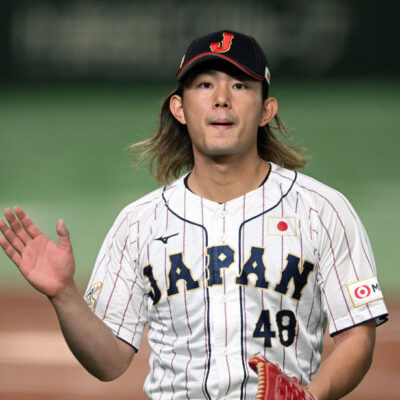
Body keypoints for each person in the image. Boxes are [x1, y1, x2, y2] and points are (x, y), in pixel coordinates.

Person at [0, 30, 388, 400]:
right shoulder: (139, 223)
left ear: (267, 109)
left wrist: (310, 396)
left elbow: (357, 335)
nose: (222, 99)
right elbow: (109, 361)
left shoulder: (322, 210)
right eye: (205, 85)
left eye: (240, 85)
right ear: (179, 107)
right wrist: (65, 295)